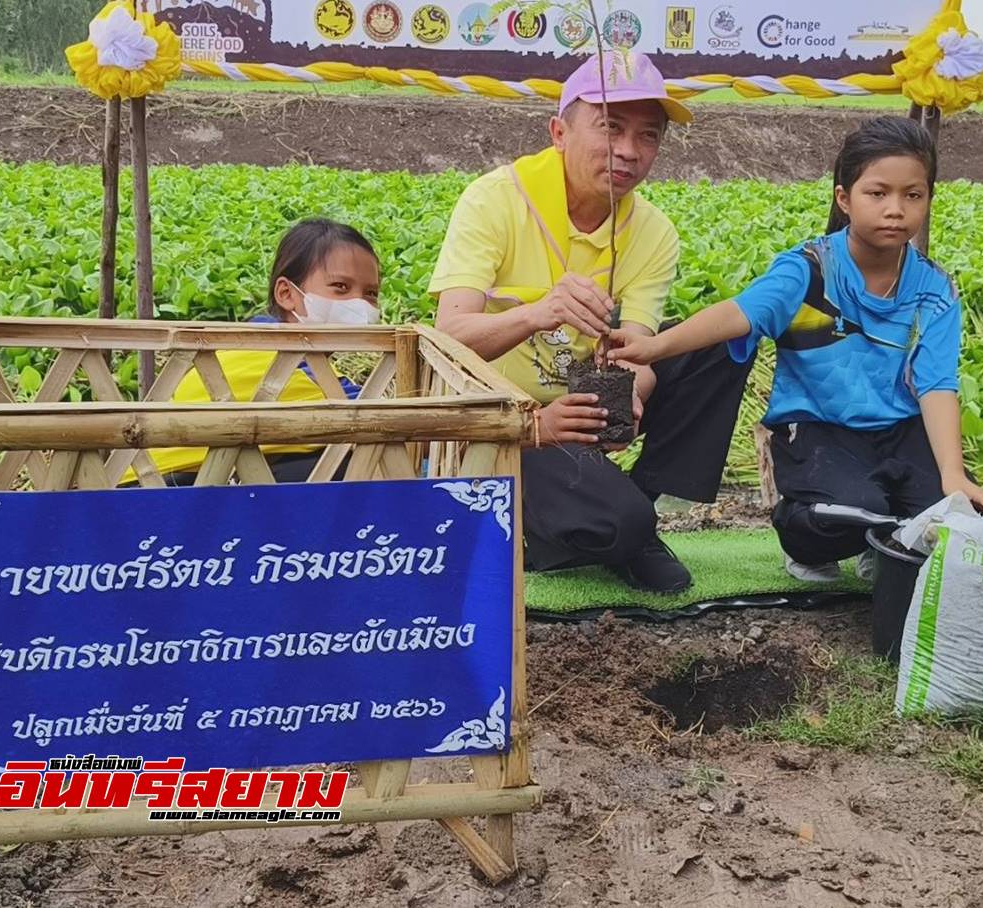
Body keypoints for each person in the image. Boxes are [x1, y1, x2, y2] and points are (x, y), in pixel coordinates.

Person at [609, 116, 983, 586]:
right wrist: (653, 346)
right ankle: (801, 530)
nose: (895, 209)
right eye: (878, 193)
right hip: (819, 432)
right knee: (853, 513)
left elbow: (937, 384)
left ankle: (890, 544)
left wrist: (953, 476)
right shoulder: (809, 270)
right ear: (845, 198)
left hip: (901, 431)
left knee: (954, 519)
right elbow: (740, 314)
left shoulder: (934, 288)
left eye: (912, 195)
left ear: (928, 199)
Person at [428, 52, 753, 594]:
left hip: (581, 406)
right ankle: (595, 524)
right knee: (611, 522)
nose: (629, 152)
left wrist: (630, 392)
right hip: (511, 423)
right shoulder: (496, 201)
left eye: (648, 136)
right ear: (559, 132)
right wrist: (538, 313)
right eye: (610, 128)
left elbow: (642, 349)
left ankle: (639, 510)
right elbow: (447, 339)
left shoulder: (652, 231)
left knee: (722, 344)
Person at [144, 218, 381, 485]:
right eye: (341, 287)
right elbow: (377, 416)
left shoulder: (246, 342)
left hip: (156, 481)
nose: (360, 304)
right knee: (359, 467)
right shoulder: (285, 363)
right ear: (286, 293)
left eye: (371, 293)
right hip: (170, 487)